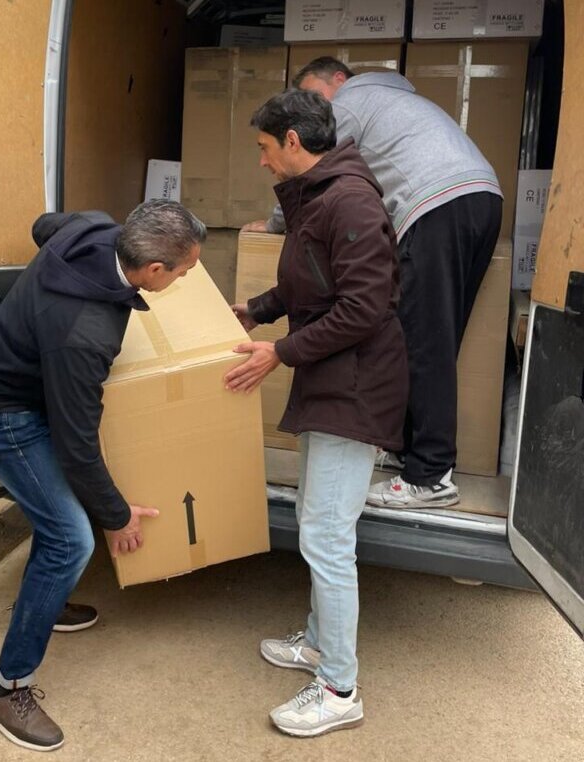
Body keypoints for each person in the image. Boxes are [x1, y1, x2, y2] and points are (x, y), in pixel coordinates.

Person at [0, 200, 205, 751]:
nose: (188, 278)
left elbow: (41, 224)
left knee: (58, 532)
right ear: (154, 271)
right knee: (72, 539)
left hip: (19, 388)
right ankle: (5, 689)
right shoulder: (84, 333)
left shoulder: (95, 228)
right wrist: (116, 516)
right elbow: (75, 444)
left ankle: (47, 599)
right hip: (3, 417)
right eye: (186, 271)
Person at [226, 90, 407, 737]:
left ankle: (338, 687)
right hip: (332, 383)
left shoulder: (349, 200)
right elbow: (312, 282)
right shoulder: (319, 198)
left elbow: (365, 307)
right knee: (315, 522)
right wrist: (260, 309)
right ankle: (316, 640)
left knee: (328, 537)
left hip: (356, 392)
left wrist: (280, 351)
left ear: (294, 143)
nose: (264, 161)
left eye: (265, 148)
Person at [266, 58, 503, 509]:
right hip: (480, 197)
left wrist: (277, 221)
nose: (312, 109)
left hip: (436, 202)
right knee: (431, 335)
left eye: (315, 95)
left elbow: (310, 167)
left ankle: (431, 475)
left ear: (340, 80)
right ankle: (412, 452)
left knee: (420, 341)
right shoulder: (396, 102)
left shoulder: (353, 100)